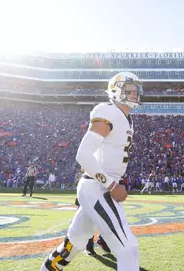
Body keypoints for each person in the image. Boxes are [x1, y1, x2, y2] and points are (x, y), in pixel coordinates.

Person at [40, 72, 143, 271]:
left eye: (137, 90)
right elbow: (84, 154)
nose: (135, 94)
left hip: (99, 186)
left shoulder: (127, 119)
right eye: (130, 90)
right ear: (116, 91)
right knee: (128, 249)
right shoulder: (108, 111)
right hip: (98, 187)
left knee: (74, 244)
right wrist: (112, 185)